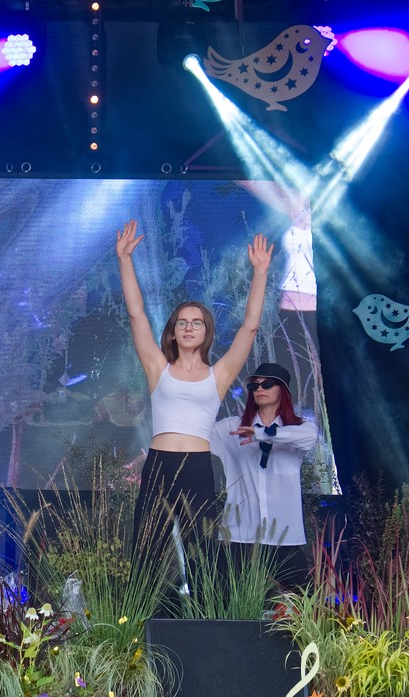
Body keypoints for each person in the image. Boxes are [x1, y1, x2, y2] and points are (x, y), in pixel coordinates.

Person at [114, 220, 273, 556]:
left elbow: (250, 327)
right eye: (182, 323)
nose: (188, 327)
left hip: (197, 467)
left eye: (196, 323)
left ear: (206, 332)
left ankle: (201, 596)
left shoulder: (219, 375)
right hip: (159, 465)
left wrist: (260, 273)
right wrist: (125, 260)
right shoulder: (158, 369)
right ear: (173, 333)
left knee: (202, 553)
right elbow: (136, 314)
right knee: (147, 552)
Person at [211, 363, 318, 588]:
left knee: (304, 597)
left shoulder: (300, 428)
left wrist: (262, 433)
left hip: (283, 535)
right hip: (239, 534)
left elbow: (309, 438)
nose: (259, 389)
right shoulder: (232, 428)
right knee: (224, 597)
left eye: (267, 384)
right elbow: (196, 434)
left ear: (282, 390)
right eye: (254, 385)